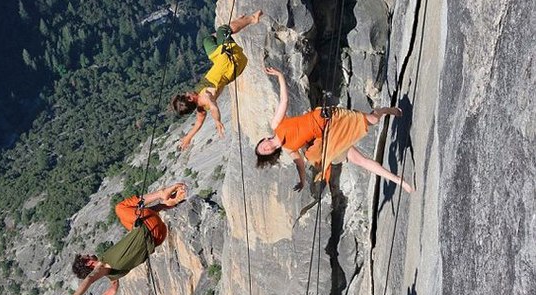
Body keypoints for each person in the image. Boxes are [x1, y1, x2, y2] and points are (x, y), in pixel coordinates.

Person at [255, 66, 414, 193]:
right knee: (359, 160)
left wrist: (280, 76)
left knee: (372, 120)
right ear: (270, 154)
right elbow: (300, 166)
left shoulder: (276, 124)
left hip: (330, 117)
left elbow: (284, 100)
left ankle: (385, 110)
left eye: (262, 146)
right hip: (330, 137)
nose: (266, 148)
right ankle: (398, 180)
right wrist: (302, 181)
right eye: (265, 151)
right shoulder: (290, 149)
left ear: (264, 140)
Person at [62, 182, 188, 295]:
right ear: (88, 263)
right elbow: (90, 279)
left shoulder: (113, 273)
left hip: (159, 236)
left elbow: (112, 280)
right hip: (149, 229)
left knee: (130, 221)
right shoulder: (102, 263)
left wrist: (114, 287)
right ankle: (161, 194)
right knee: (120, 208)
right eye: (86, 256)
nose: (88, 254)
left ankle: (166, 204)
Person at [172, 10, 264, 149]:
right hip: (231, 62)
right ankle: (252, 19)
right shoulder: (205, 97)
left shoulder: (200, 109)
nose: (187, 92)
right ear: (190, 99)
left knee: (208, 40)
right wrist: (217, 122)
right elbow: (214, 107)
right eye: (186, 95)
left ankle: (236, 25)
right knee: (223, 30)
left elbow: (198, 124)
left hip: (219, 60)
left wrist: (188, 138)